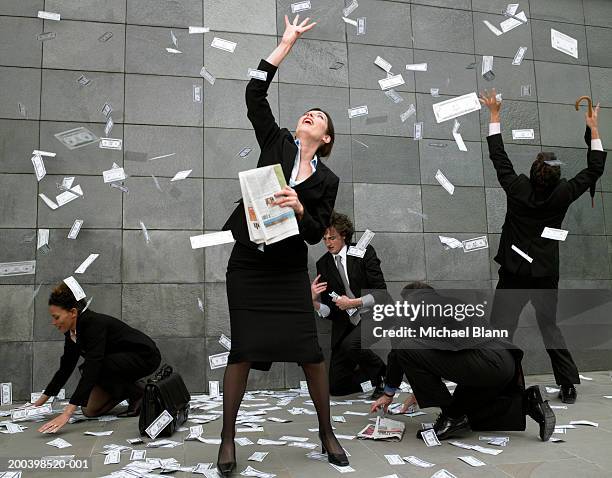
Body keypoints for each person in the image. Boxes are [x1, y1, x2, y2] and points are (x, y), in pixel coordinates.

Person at [218, 14, 347, 475]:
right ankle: (228, 440)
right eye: (307, 113)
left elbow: (317, 233)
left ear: (325, 138)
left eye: (320, 118)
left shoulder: (327, 179)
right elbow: (254, 93)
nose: (310, 115)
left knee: (311, 353)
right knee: (243, 351)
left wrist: (298, 209)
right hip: (249, 264)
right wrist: (285, 43)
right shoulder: (276, 141)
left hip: (289, 269)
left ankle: (326, 431)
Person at [480, 89, 607, 404]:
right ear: (555, 176)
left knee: (500, 329)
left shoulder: (518, 188)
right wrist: (593, 130)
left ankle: (497, 380)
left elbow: (499, 157)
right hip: (545, 274)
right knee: (550, 327)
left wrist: (495, 115)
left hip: (513, 273)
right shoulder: (563, 194)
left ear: (534, 172)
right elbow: (594, 170)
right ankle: (567, 386)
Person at [370, 282, 556, 442]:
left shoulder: (414, 306)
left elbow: (398, 352)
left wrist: (388, 393)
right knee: (464, 415)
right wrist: (420, 388)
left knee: (405, 347)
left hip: (483, 362)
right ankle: (529, 402)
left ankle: (450, 419)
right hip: (505, 362)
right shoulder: (453, 304)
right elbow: (438, 353)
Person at [36, 282, 162, 434]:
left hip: (145, 356)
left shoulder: (93, 323)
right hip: (115, 364)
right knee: (90, 411)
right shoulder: (72, 332)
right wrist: (41, 401)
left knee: (93, 367)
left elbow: (93, 365)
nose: (53, 323)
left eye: (56, 317)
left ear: (73, 312)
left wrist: (67, 413)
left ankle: (138, 393)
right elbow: (66, 366)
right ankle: (129, 389)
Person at [311, 211, 387, 399]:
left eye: (333, 238)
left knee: (351, 345)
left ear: (344, 235)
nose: (328, 243)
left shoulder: (364, 252)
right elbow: (330, 311)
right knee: (336, 386)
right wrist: (314, 301)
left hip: (374, 313)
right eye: (325, 239)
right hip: (345, 324)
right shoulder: (323, 264)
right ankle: (378, 379)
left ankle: (384, 374)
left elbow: (381, 292)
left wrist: (352, 302)